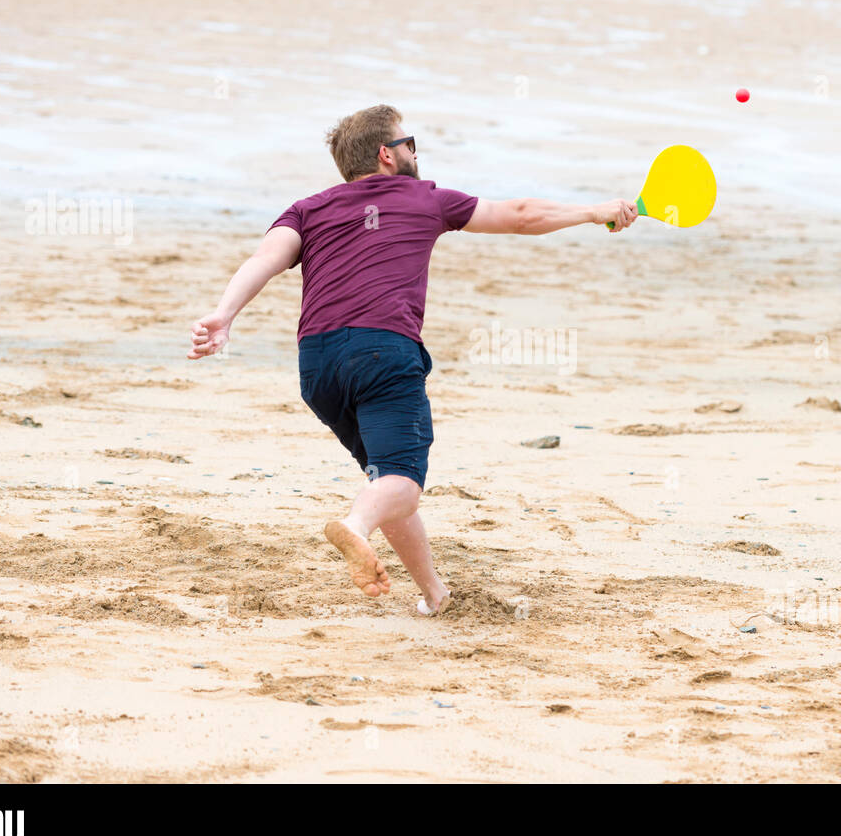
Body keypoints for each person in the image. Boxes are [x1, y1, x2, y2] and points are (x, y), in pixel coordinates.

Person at [187, 104, 638, 615]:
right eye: (410, 143)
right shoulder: (424, 198)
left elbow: (265, 259)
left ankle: (434, 595)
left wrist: (224, 314)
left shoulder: (307, 209)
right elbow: (519, 215)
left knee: (386, 478)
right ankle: (355, 526)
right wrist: (593, 212)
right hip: (382, 352)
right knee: (401, 480)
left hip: (318, 365)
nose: (415, 153)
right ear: (386, 154)